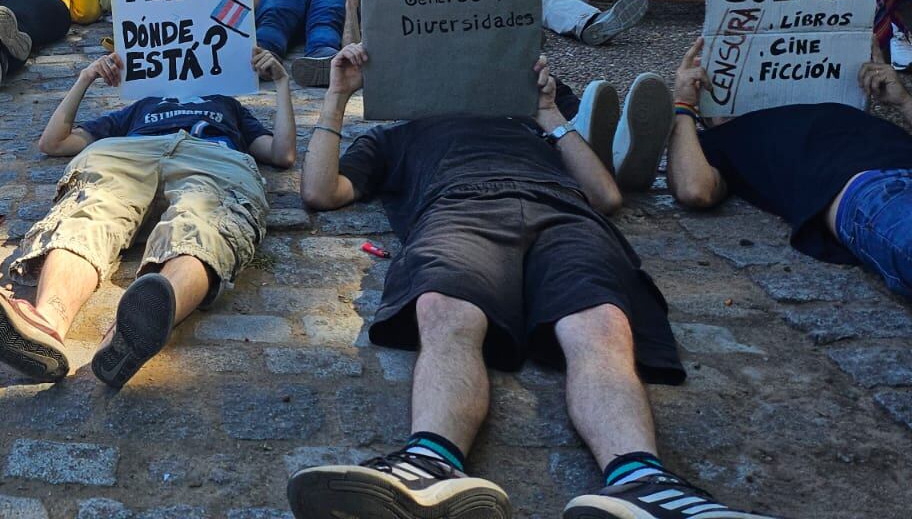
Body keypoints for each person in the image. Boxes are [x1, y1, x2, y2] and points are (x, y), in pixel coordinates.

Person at [291, 45, 779, 519]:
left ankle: (645, 484)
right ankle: (428, 465)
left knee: (600, 324)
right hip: (460, 210)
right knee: (444, 309)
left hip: (564, 212)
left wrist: (548, 114)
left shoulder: (536, 124)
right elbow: (319, 191)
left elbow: (606, 196)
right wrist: (337, 96)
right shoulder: (395, 135)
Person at [0, 47, 295, 388]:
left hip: (210, 157)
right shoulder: (141, 106)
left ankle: (136, 329)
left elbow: (282, 153)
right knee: (91, 211)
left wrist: (281, 82)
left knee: (204, 225)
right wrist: (85, 78)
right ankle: (44, 325)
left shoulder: (228, 106)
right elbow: (54, 142)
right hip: (128, 155)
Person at [667, 37, 912, 299]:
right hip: (873, 189)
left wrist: (904, 102)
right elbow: (695, 189)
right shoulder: (727, 139)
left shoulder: (841, 107)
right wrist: (683, 106)